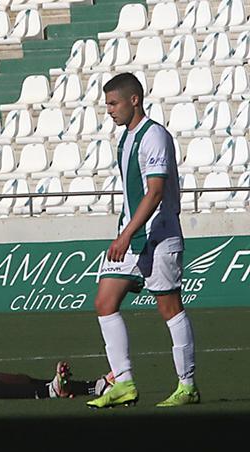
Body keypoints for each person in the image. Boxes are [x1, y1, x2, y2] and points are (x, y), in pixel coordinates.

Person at [87, 73, 199, 409]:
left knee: (169, 308)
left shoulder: (154, 137)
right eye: (107, 104)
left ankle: (187, 385)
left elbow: (155, 193)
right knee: (104, 302)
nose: (109, 110)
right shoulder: (126, 139)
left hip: (159, 236)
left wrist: (124, 233)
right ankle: (124, 383)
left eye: (113, 103)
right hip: (132, 235)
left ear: (134, 100)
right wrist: (125, 231)